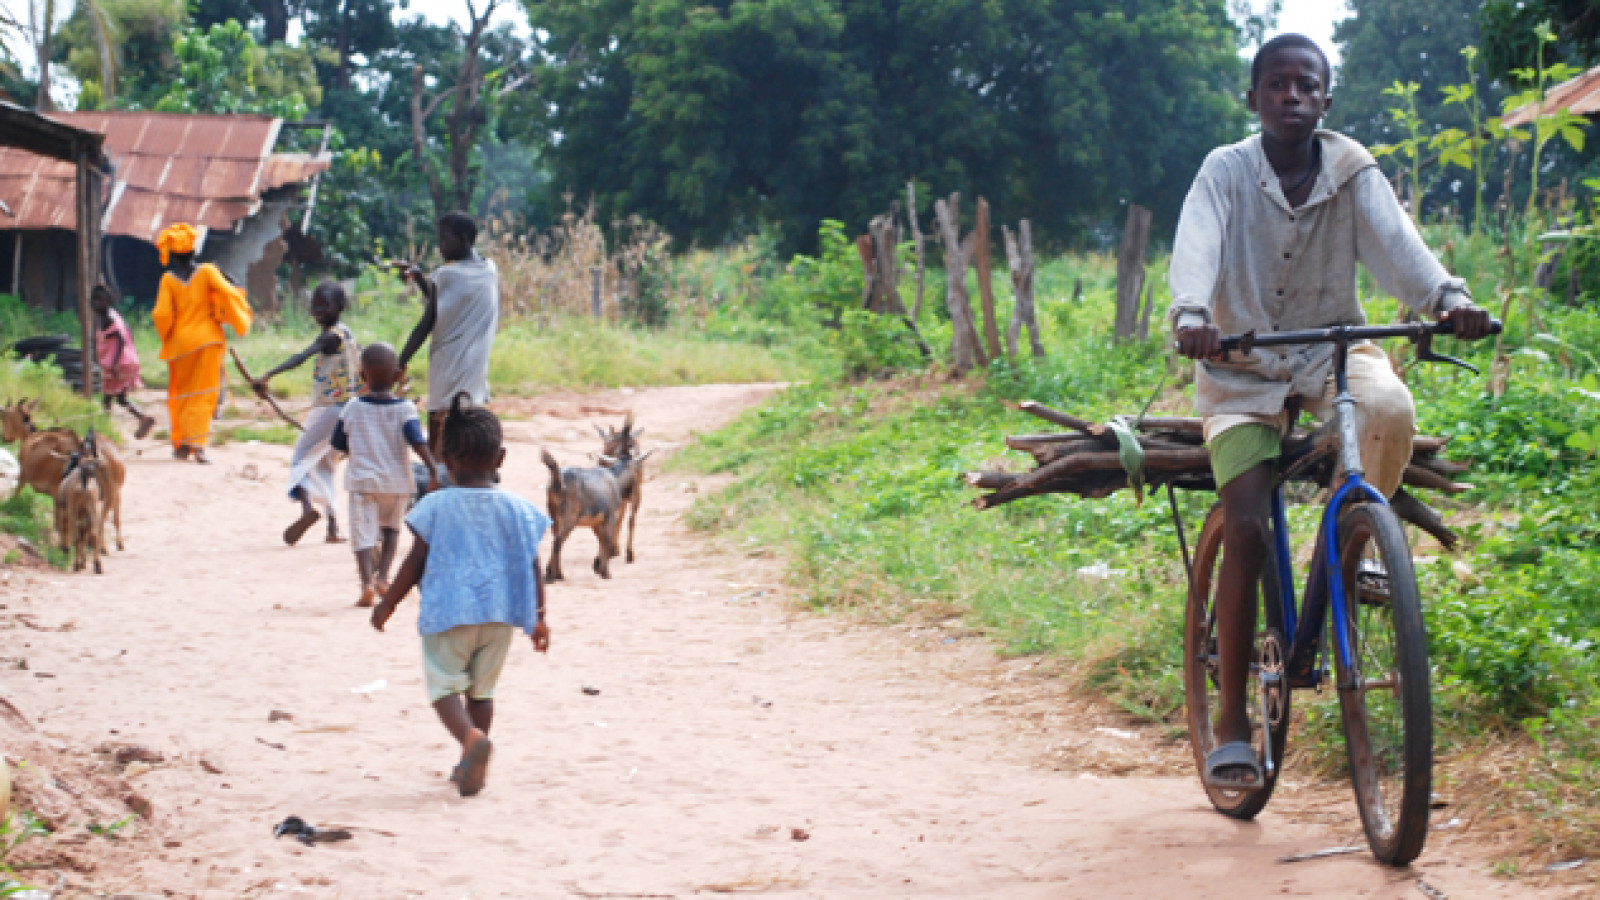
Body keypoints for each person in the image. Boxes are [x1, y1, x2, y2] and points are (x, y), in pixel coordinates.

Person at [1168, 34, 1492, 791]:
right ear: (1253, 99)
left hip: (1328, 351)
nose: (1292, 97)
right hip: (1239, 367)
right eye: (1276, 85)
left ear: (1326, 100)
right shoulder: (1225, 172)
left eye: (1306, 85)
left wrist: (1448, 300)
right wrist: (1191, 314)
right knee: (1246, 525)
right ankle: (1231, 723)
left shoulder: (1351, 170)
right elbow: (1196, 248)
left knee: (1387, 403)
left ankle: (1351, 553)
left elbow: (1399, 249)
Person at [370, 393, 549, 798]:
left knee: (445, 688)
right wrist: (539, 615)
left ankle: (468, 740)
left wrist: (388, 603)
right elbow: (532, 563)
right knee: (482, 692)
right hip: (501, 615)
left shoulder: (435, 506)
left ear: (445, 460)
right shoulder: (519, 509)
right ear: (500, 458)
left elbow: (415, 561)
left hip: (449, 613)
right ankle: (472, 753)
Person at [331, 343, 441, 607]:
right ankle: (383, 577)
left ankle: (367, 582)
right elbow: (416, 440)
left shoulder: (353, 407)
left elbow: (338, 443)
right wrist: (433, 468)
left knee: (362, 536)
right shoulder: (405, 409)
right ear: (398, 376)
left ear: (362, 375)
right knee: (391, 530)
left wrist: (352, 447)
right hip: (396, 483)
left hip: (363, 482)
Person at [254, 282, 361, 546]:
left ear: (340, 307)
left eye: (325, 305)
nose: (318, 310)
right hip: (349, 410)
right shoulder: (348, 334)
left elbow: (300, 357)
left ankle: (306, 510)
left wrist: (268, 374)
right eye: (315, 304)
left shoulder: (330, 337)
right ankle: (333, 526)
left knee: (301, 459)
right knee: (326, 463)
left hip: (328, 410)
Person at [396, 212, 499, 456]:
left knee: (440, 441)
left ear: (463, 239)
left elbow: (426, 323)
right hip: (475, 372)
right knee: (469, 430)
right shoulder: (489, 270)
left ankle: (439, 481)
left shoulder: (446, 275)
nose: (440, 246)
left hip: (447, 369)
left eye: (444, 239)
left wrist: (399, 362)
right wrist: (422, 280)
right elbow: (445, 302)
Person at [152, 223, 252, 464]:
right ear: (195, 251)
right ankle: (198, 445)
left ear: (173, 255)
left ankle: (183, 445)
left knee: (183, 394)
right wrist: (240, 320)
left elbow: (162, 315)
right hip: (208, 341)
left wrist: (168, 337)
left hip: (181, 345)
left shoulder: (167, 279)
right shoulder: (207, 271)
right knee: (205, 395)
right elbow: (228, 293)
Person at [92, 284, 156, 440]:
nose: (96, 304)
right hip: (119, 363)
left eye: (100, 300)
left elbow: (120, 339)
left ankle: (104, 430)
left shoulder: (110, 318)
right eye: (94, 300)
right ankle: (141, 417)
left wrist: (114, 363)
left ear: (107, 301)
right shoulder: (110, 316)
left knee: (108, 397)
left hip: (118, 364)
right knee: (119, 398)